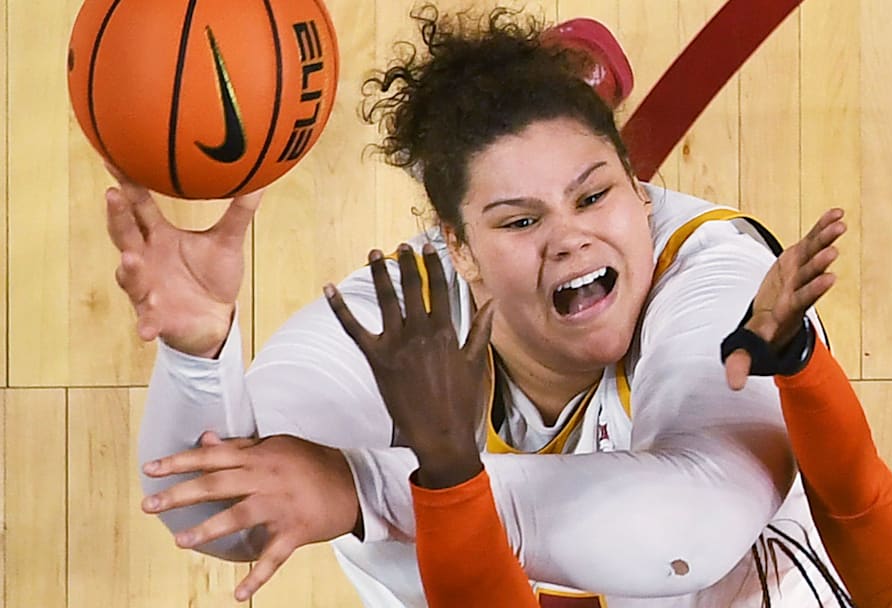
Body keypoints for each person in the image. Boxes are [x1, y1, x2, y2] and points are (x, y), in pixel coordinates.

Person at [116, 5, 843, 606]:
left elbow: (690, 532)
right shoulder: (398, 313)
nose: (571, 239)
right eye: (522, 221)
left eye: (594, 196)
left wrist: (361, 487)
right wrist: (198, 355)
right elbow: (219, 512)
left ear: (639, 189)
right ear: (457, 249)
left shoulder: (718, 271)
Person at [342, 212, 892, 607]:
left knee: (369, 536)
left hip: (548, 554)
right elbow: (858, 504)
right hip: (722, 512)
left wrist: (448, 470)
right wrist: (797, 361)